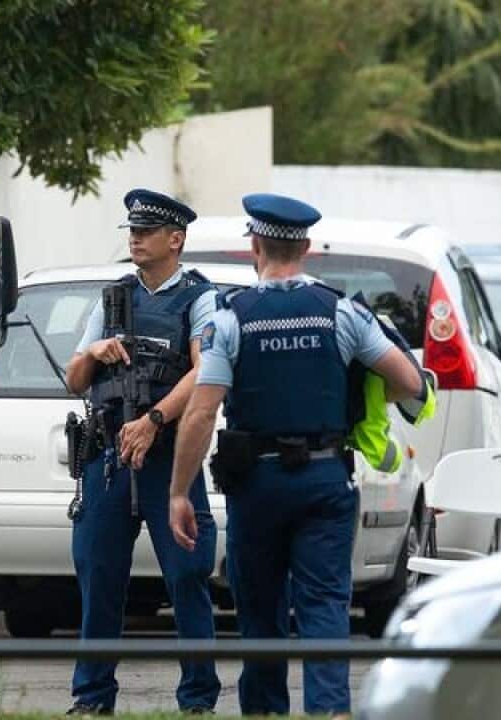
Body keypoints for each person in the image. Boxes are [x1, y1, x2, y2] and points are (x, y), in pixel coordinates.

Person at [168, 193, 427, 716]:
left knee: (259, 608)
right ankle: (329, 711)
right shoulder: (343, 312)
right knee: (326, 603)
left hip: (256, 484)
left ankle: (264, 711)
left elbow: (200, 412)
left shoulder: (230, 319)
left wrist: (178, 491)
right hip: (326, 478)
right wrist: (355, 399)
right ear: (306, 247)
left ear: (254, 248)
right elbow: (407, 381)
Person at [63, 188, 221, 715]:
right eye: (132, 230)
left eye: (147, 231)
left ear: (175, 240)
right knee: (99, 575)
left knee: (187, 575)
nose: (135, 238)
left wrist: (154, 420)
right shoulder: (113, 297)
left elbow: (204, 370)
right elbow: (73, 379)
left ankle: (198, 700)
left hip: (169, 456)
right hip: (108, 454)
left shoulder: (199, 298)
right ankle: (91, 699)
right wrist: (94, 349)